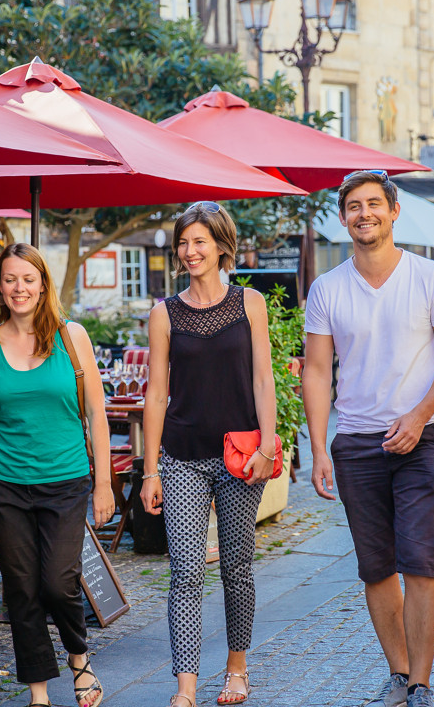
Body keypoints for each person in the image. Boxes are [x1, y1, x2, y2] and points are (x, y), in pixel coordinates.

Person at [302, 170, 434, 707]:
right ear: (343, 218)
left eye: (374, 203)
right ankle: (398, 672)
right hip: (356, 444)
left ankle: (421, 680)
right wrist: (319, 447)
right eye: (353, 206)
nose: (364, 213)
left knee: (421, 561)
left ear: (394, 212)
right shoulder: (326, 289)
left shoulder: (430, 276)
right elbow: (318, 373)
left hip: (424, 439)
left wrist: (418, 417)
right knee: (376, 567)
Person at [0, 243, 114, 707]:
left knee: (57, 581)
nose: (19, 288)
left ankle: (78, 658)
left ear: (43, 283)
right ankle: (39, 692)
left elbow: (96, 413)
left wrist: (104, 482)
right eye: (10, 279)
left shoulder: (73, 337)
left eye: (28, 279)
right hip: (5, 483)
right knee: (21, 588)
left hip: (66, 479)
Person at [140, 201, 277, 707]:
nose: (189, 251)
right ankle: (186, 686)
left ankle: (237, 668)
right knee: (186, 570)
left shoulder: (250, 304)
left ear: (221, 246)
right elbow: (157, 393)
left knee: (237, 566)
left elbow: (263, 378)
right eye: (183, 242)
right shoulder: (164, 313)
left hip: (242, 457)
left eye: (199, 241)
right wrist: (150, 468)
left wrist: (268, 442)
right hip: (182, 457)